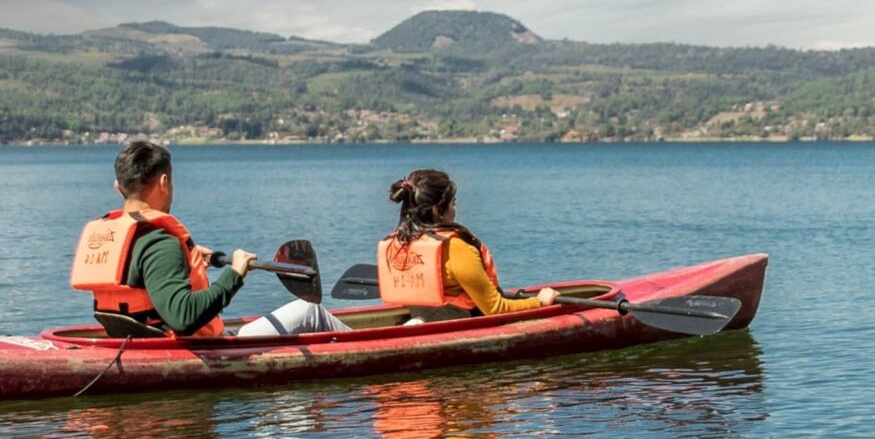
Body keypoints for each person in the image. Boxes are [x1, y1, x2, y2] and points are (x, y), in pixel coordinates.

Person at [72, 141, 349, 338]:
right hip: (193, 347)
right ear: (164, 182)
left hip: (144, 340)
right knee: (310, 312)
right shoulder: (160, 242)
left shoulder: (117, 235)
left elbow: (147, 285)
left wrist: (190, 262)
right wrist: (235, 274)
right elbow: (183, 319)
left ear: (118, 187)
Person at [377, 168, 558, 319]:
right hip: (459, 322)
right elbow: (495, 309)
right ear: (436, 209)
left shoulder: (397, 243)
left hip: (425, 319)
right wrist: (540, 301)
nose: (454, 210)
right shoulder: (455, 247)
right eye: (453, 204)